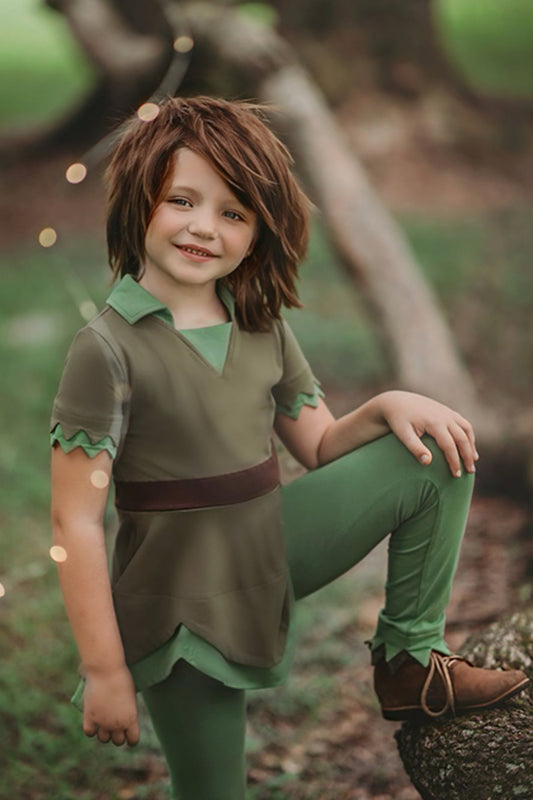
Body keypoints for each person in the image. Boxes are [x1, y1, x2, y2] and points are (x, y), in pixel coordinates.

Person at [50, 96, 529, 800]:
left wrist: (387, 406)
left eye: (232, 213)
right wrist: (105, 670)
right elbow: (76, 523)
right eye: (182, 200)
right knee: (215, 790)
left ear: (256, 233)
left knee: (433, 452)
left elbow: (322, 445)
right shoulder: (106, 351)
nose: (204, 228)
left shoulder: (258, 323)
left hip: (268, 546)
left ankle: (408, 661)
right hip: (178, 597)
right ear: (138, 200)